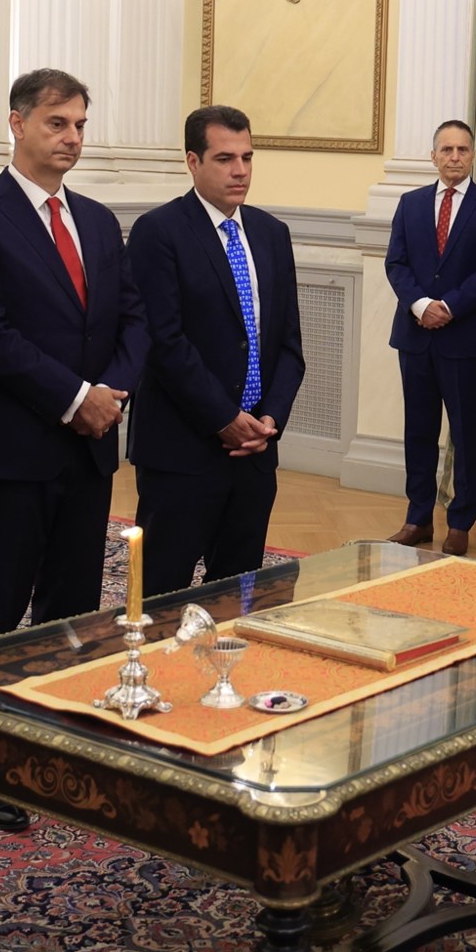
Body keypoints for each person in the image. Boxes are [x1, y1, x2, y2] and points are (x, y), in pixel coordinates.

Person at [0, 69, 147, 831]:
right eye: (58, 122)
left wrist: (111, 392)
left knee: (74, 605)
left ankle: (57, 738)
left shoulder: (97, 218)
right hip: (16, 449)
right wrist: (74, 397)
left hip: (89, 449)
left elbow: (133, 318)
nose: (72, 137)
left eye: (81, 124)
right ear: (17, 123)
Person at [127, 106, 305, 594]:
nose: (240, 170)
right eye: (225, 158)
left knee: (236, 592)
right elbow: (164, 343)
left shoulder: (271, 233)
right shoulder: (158, 232)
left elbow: (288, 344)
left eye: (247, 157)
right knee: (161, 593)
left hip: (255, 451)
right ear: (193, 161)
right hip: (182, 449)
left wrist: (269, 420)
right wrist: (224, 417)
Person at [382, 120, 476, 556]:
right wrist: (421, 305)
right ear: (433, 156)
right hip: (415, 336)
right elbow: (396, 263)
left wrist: (449, 307)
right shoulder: (410, 203)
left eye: (462, 149)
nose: (455, 157)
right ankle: (418, 518)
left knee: (466, 434)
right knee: (418, 431)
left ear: (472, 155)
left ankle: (460, 523)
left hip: (464, 338)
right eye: (447, 149)